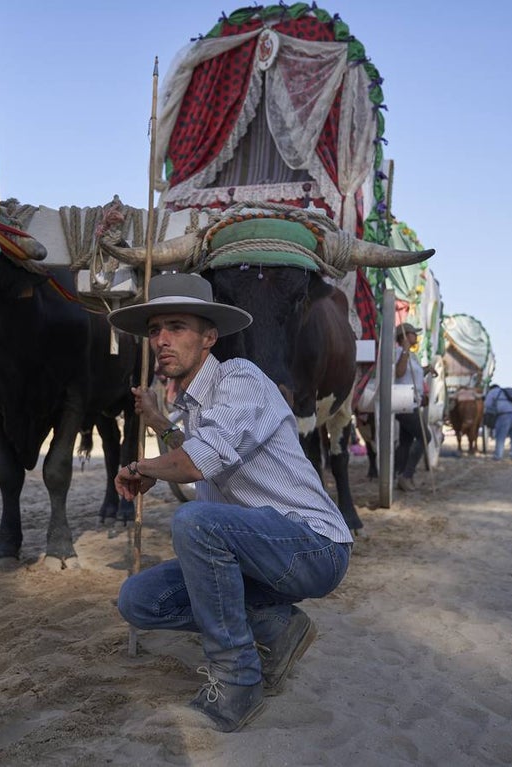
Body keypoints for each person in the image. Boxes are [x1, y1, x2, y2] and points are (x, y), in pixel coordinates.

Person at [106, 273, 353, 733]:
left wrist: (142, 468)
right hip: (258, 555)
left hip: (313, 547)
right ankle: (278, 627)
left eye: (176, 327)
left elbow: (197, 463)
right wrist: (161, 422)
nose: (161, 340)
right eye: (155, 330)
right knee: (138, 601)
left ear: (209, 338)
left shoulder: (239, 378)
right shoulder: (197, 405)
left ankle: (237, 681)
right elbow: (196, 449)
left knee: (196, 521)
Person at [394, 322, 426, 491]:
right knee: (424, 436)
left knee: (406, 441)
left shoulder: (412, 356)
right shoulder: (399, 352)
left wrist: (427, 370)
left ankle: (400, 475)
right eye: (414, 333)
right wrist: (405, 349)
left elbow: (411, 374)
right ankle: (407, 475)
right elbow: (399, 373)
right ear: (405, 336)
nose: (416, 336)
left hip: (412, 399)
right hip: (403, 398)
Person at [483, 384, 512, 461]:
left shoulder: (492, 392)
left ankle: (498, 456)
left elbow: (487, 404)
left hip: (504, 415)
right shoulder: (508, 391)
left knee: (500, 437)